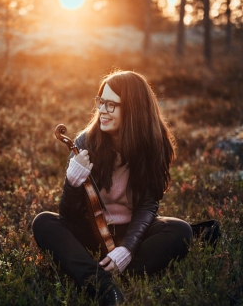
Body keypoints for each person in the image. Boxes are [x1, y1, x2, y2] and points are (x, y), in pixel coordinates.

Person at [32, 70, 193, 306]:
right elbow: (68, 215)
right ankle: (103, 286)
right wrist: (72, 181)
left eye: (111, 105)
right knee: (44, 222)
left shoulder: (154, 144)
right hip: (91, 230)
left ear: (133, 109)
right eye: (101, 102)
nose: (102, 111)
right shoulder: (85, 143)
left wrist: (127, 248)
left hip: (131, 231)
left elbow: (148, 204)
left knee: (181, 231)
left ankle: (110, 272)